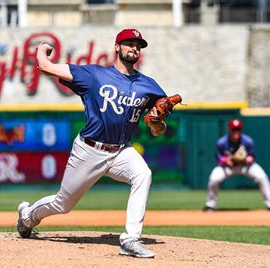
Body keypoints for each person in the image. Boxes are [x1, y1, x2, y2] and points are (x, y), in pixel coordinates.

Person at [16, 29, 171, 258]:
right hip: (89, 149)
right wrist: (41, 51)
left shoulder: (149, 86)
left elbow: (158, 130)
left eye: (138, 45)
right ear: (117, 47)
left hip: (121, 151)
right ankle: (27, 216)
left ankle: (130, 240)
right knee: (62, 205)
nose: (134, 48)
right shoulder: (94, 75)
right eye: (129, 43)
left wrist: (157, 123)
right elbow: (46, 67)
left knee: (143, 174)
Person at [203, 118, 270, 212]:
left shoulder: (248, 141)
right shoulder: (221, 142)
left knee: (261, 176)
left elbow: (252, 156)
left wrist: (249, 159)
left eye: (238, 129)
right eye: (233, 129)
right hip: (228, 167)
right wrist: (225, 160)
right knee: (214, 179)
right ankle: (210, 205)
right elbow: (218, 158)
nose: (236, 131)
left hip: (245, 166)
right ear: (229, 129)